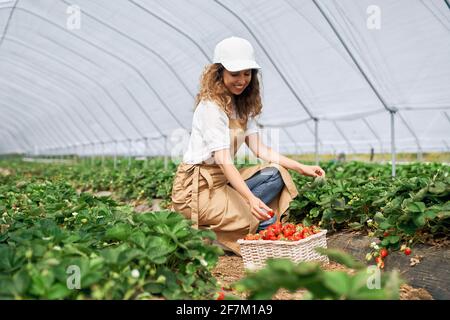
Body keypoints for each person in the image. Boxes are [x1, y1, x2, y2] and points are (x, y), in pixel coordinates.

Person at [171, 36, 325, 255]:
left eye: (247, 73)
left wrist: (301, 167)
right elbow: (224, 161)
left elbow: (260, 149)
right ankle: (218, 234)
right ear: (219, 73)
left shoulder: (240, 106)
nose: (242, 80)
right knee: (261, 221)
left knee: (275, 174)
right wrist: (251, 199)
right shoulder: (211, 108)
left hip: (222, 182)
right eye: (235, 74)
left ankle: (233, 223)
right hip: (196, 190)